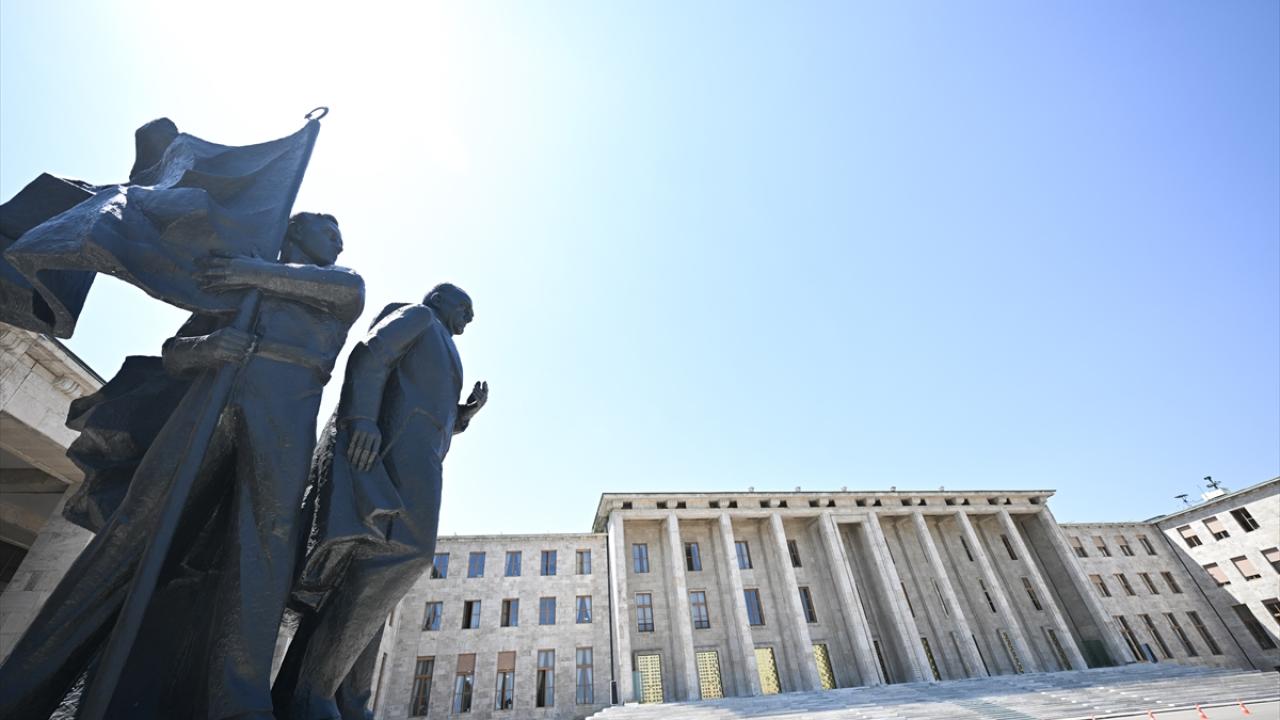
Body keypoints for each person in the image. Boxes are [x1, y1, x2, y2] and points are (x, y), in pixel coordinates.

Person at [0, 213, 364, 720]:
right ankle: (23, 685)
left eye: (340, 236)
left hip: (284, 412)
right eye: (329, 232)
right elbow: (174, 353)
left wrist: (248, 272)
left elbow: (347, 290)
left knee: (265, 543)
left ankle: (238, 699)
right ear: (295, 232)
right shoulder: (237, 287)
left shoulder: (333, 284)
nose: (339, 243)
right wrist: (207, 347)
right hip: (207, 404)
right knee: (130, 533)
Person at [273, 283, 487, 720]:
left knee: (376, 575)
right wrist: (361, 418)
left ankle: (345, 700)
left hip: (421, 456)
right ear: (440, 299)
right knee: (401, 555)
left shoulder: (443, 343)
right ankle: (313, 693)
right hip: (392, 452)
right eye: (465, 308)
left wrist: (463, 414)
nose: (469, 318)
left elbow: (426, 404)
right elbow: (370, 355)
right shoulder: (419, 317)